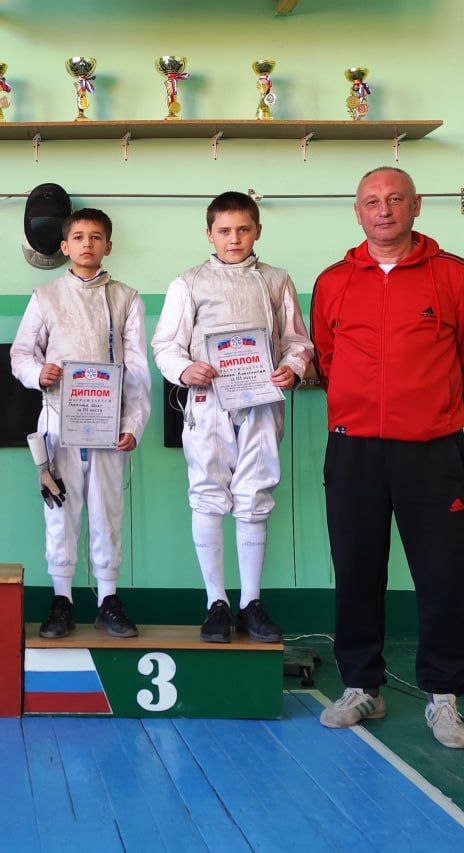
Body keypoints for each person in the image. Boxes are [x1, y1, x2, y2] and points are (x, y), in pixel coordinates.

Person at [311, 166, 464, 749]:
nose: (383, 209)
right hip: (354, 447)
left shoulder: (456, 275)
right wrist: (363, 409)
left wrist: (436, 415)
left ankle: (443, 696)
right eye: (371, 201)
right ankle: (362, 686)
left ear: (416, 206)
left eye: (394, 199)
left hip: (432, 450)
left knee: (441, 574)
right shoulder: (333, 280)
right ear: (357, 212)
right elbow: (328, 358)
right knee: (356, 569)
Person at [152, 191, 312, 644]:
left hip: (262, 403)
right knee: (207, 495)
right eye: (224, 231)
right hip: (209, 405)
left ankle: (251, 603)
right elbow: (165, 345)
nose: (234, 239)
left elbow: (297, 341)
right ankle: (216, 602)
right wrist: (185, 369)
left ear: (257, 230)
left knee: (254, 495)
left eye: (243, 229)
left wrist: (292, 368)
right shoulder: (189, 283)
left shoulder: (277, 280)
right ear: (209, 234)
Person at [10, 208, 151, 638]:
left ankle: (108, 599)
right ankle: (62, 600)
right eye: (78, 237)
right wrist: (39, 373)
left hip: (109, 424)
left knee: (107, 510)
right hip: (58, 420)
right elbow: (21, 354)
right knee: (60, 509)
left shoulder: (126, 298)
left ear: (108, 245)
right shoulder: (45, 295)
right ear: (64, 246)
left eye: (95, 237)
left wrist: (133, 423)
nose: (87, 243)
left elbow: (137, 367)